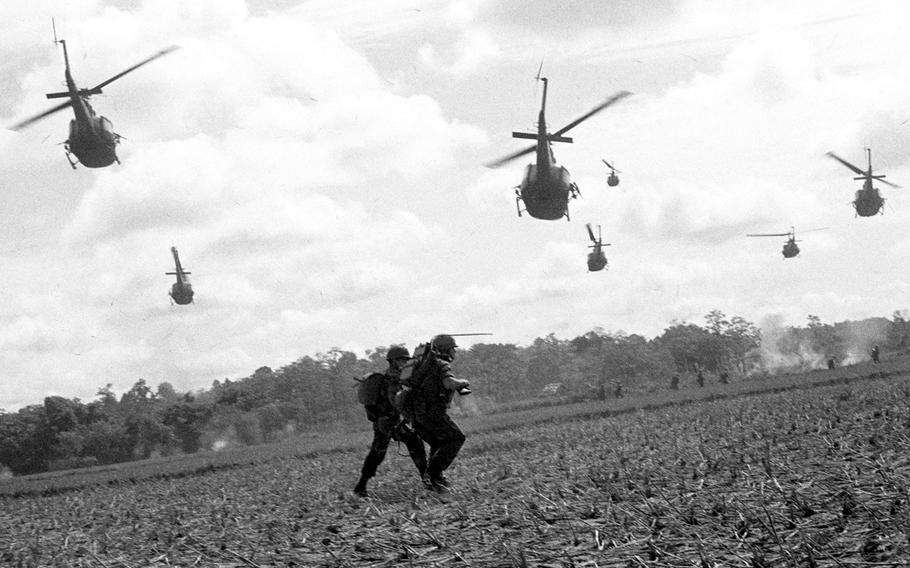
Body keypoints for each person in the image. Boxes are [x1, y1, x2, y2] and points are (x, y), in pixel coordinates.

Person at [354, 345, 428, 497]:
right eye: (401, 359)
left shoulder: (395, 376)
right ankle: (427, 480)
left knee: (377, 453)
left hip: (384, 423)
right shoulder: (393, 378)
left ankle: (361, 486)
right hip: (391, 422)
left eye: (405, 359)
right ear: (392, 361)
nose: (403, 362)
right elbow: (395, 401)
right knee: (415, 444)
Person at [411, 334, 471, 493]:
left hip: (418, 415)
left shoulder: (423, 366)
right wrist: (464, 382)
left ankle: (435, 481)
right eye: (453, 349)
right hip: (433, 413)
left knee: (439, 443)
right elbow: (449, 383)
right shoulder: (441, 364)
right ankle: (433, 475)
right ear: (447, 350)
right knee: (456, 438)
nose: (455, 352)